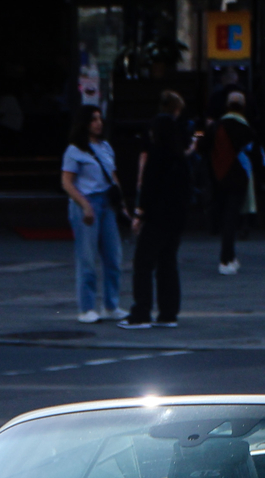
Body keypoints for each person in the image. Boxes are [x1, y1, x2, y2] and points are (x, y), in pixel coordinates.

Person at [126, 90, 192, 330]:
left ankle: (141, 311)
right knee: (168, 262)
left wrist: (140, 213)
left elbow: (149, 185)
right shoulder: (179, 158)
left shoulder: (156, 155)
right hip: (176, 215)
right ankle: (168, 313)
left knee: (144, 261)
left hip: (156, 215)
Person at [61, 106, 124, 323]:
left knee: (113, 256)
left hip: (107, 202)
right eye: (93, 119)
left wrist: (121, 203)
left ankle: (111, 304)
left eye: (99, 119)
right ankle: (86, 307)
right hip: (87, 201)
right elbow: (67, 182)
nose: (98, 123)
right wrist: (84, 204)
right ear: (84, 123)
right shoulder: (74, 150)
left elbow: (113, 176)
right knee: (87, 258)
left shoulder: (105, 146)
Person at [206, 92, 253, 273]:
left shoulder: (216, 126)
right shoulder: (245, 128)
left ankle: (229, 256)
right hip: (238, 178)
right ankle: (226, 259)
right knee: (231, 218)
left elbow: (204, 148)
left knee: (225, 215)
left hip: (219, 176)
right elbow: (254, 152)